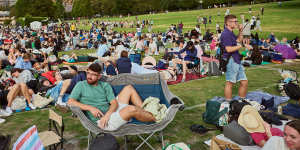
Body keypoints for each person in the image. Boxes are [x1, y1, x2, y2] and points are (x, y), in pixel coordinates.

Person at [68, 63, 155, 131]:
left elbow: (113, 103)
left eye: (93, 74)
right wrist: (90, 108)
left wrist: (108, 115)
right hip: (103, 122)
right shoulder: (81, 85)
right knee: (131, 109)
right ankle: (156, 118)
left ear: (99, 76)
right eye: (88, 73)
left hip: (110, 113)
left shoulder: (104, 85)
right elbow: (70, 101)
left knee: (128, 88)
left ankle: (147, 111)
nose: (89, 76)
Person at [220, 15, 252, 101]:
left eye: (236, 21)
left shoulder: (230, 32)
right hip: (231, 60)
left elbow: (238, 40)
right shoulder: (226, 33)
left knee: (244, 82)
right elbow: (228, 49)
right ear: (228, 23)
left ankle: (241, 101)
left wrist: (241, 30)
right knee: (230, 83)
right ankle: (229, 104)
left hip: (236, 59)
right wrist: (243, 45)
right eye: (235, 21)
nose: (237, 23)